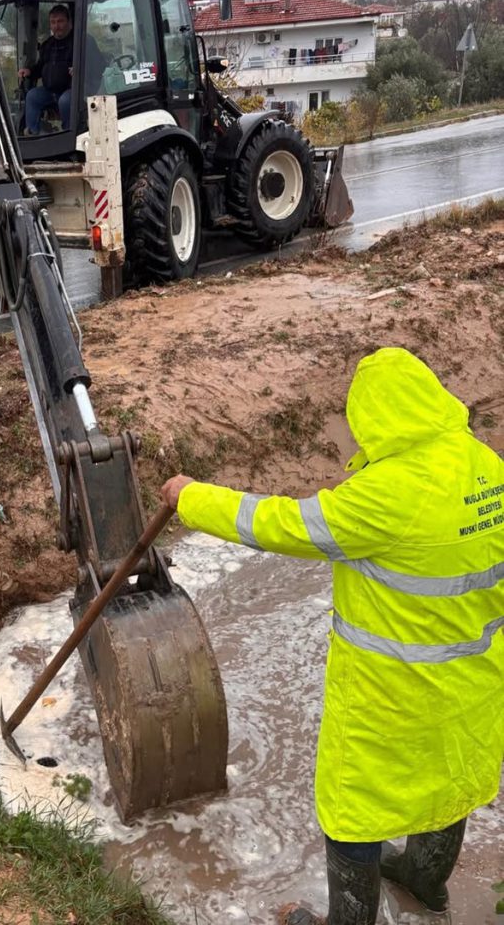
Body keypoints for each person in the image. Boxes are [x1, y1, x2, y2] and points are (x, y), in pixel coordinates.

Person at [160, 347, 503, 925]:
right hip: (476, 680)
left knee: (351, 811)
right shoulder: (484, 465)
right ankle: (425, 882)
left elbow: (279, 524)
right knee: (450, 781)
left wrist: (190, 497)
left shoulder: (386, 494)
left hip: (390, 695)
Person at [19, 5, 74, 134]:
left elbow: (96, 64)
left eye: (60, 21)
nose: (56, 26)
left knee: (65, 101)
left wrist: (81, 71)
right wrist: (29, 71)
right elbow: (40, 66)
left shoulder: (80, 41)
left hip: (73, 91)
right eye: (53, 22)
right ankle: (33, 134)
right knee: (32, 96)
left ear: (69, 22)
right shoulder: (48, 45)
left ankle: (69, 134)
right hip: (50, 91)